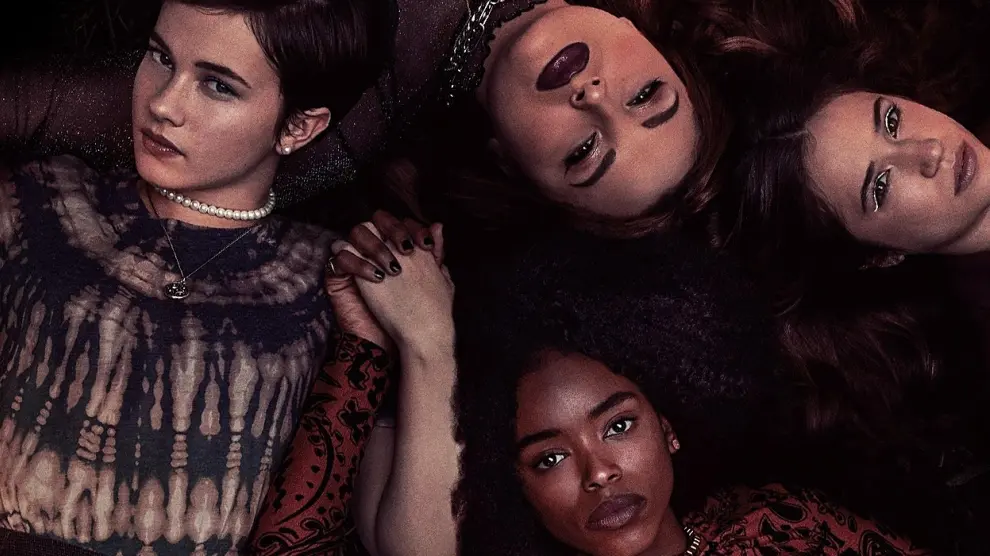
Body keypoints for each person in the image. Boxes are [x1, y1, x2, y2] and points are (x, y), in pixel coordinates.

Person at [0, 0, 396, 554]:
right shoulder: (37, 204)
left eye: (217, 85)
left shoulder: (331, 285)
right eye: (161, 57)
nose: (163, 104)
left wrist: (418, 351)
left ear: (298, 127)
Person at [450, 230, 929, 555]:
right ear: (514, 487)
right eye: (550, 459)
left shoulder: (780, 524)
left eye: (618, 425)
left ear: (667, 428)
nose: (598, 472)